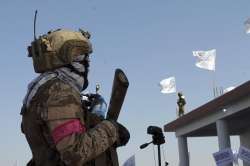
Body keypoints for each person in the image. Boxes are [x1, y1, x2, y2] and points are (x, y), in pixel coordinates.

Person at [20, 29, 130, 166]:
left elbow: (52, 145)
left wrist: (97, 123)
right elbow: (74, 153)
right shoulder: (59, 92)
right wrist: (111, 129)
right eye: (83, 58)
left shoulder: (39, 91)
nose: (87, 64)